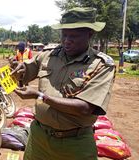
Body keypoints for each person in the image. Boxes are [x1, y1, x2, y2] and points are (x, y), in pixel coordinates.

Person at [11, 7, 115, 160]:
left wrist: (40, 96)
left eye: (73, 36)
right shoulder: (49, 55)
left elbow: (86, 108)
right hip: (39, 138)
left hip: (74, 145)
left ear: (89, 34)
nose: (67, 41)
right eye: (64, 34)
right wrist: (18, 69)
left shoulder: (101, 65)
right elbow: (24, 74)